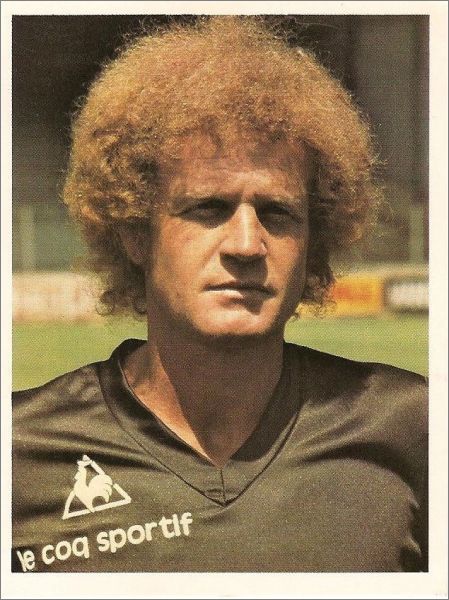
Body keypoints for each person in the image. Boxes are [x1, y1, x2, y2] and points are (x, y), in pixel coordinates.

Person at [12, 16, 427, 573]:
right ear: (135, 231)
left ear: (314, 240)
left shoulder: (414, 430)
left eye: (277, 213)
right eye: (208, 208)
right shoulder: (21, 453)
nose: (247, 244)